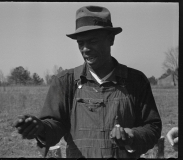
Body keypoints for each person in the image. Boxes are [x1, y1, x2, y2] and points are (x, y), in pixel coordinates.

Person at [14, 6, 162, 158]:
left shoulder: (135, 81)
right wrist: (41, 128)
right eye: (80, 43)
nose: (85, 49)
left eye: (92, 41)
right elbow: (56, 126)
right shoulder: (65, 82)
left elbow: (153, 127)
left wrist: (132, 136)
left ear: (111, 39)